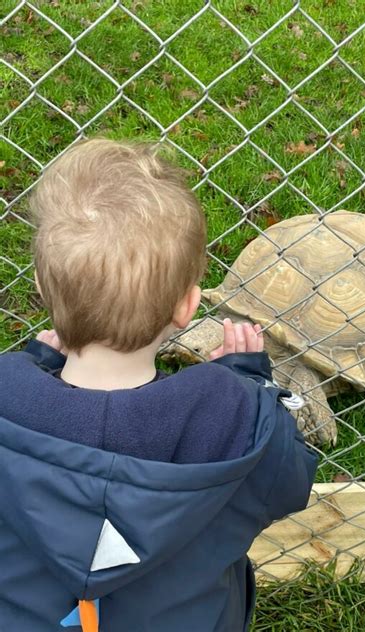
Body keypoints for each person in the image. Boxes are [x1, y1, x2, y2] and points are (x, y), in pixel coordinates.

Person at [0, 139, 318, 632]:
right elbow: (289, 484)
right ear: (186, 307)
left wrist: (36, 365)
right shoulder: (235, 416)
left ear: (42, 288)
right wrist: (250, 382)